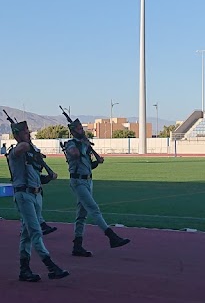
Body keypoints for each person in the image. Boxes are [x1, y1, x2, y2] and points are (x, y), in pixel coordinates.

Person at [7, 118, 68, 282]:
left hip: (36, 194)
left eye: (28, 131)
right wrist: (32, 148)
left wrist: (48, 177)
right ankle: (50, 266)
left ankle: (24, 269)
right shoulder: (16, 152)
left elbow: (36, 177)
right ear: (17, 135)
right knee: (35, 231)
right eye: (25, 132)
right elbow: (23, 147)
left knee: (26, 235)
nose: (29, 134)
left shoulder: (31, 153)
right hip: (23, 195)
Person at [62, 117, 130, 257]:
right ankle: (111, 236)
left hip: (87, 181)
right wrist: (83, 144)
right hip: (78, 182)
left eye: (82, 128)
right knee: (94, 209)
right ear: (73, 131)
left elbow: (91, 163)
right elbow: (74, 154)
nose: (82, 131)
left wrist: (96, 158)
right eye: (79, 129)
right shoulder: (71, 144)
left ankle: (77, 245)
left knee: (81, 215)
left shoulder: (84, 144)